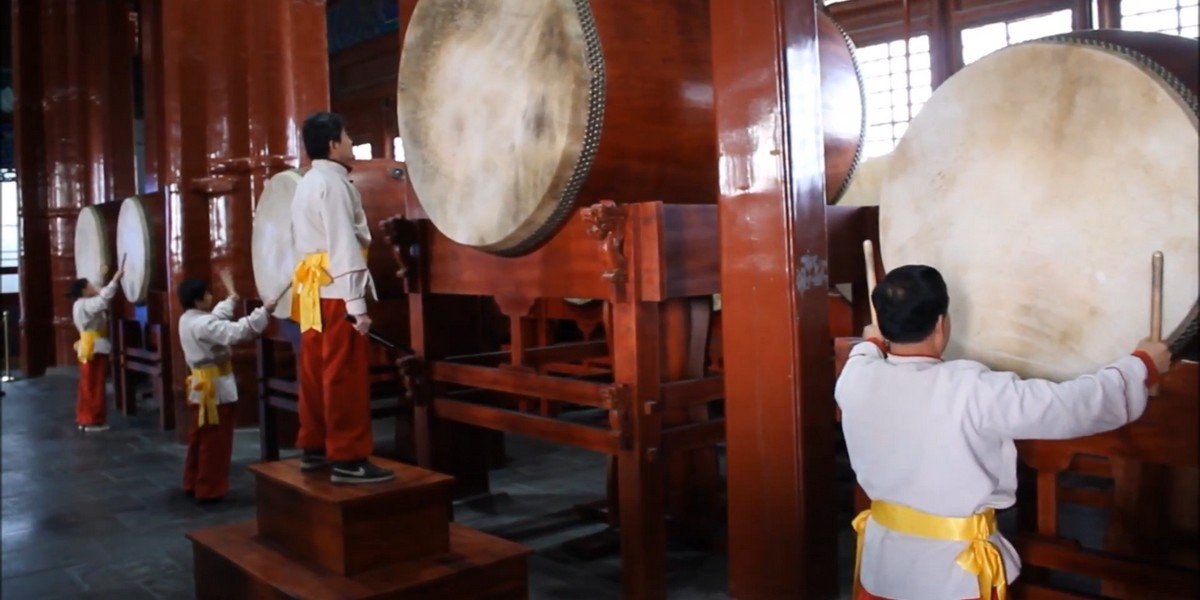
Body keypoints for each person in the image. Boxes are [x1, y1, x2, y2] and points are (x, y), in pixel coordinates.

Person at [836, 265, 1171, 600]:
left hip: (882, 569)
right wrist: (1143, 365)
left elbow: (866, 348)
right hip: (953, 577)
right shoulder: (972, 390)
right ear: (940, 324)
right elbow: (1071, 405)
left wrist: (875, 339)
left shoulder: (856, 377)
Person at [290, 111, 392, 484]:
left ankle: (314, 445)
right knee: (343, 375)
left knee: (316, 370)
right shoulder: (332, 184)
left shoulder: (306, 182)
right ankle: (349, 457)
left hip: (314, 290)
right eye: (348, 137)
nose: (350, 143)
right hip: (336, 290)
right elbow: (343, 245)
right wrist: (357, 305)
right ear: (333, 144)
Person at [177, 277, 272, 503]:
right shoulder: (203, 324)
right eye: (207, 294)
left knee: (199, 438)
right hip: (215, 390)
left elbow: (214, 321)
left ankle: (192, 481)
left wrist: (230, 302)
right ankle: (210, 488)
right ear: (198, 300)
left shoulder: (188, 319)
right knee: (215, 442)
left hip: (200, 386)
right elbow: (237, 332)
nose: (211, 296)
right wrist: (264, 312)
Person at [68, 267, 123, 432]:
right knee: (95, 385)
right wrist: (114, 280)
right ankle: (92, 420)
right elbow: (103, 300)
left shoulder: (80, 304)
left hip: (88, 346)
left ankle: (84, 418)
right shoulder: (86, 304)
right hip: (94, 348)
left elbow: (100, 296)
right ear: (84, 290)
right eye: (90, 285)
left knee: (87, 384)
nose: (94, 287)